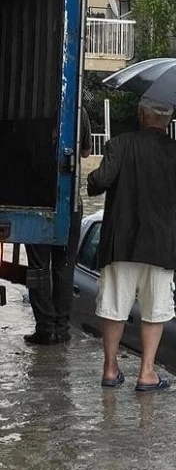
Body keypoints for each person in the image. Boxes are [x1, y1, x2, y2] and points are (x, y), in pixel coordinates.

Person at [87, 100, 176, 391]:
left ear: (140, 115)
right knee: (155, 309)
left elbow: (100, 181)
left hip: (120, 244)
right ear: (169, 121)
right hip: (159, 247)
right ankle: (146, 373)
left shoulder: (119, 145)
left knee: (113, 307)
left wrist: (90, 177)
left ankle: (111, 370)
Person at [24, 107, 92, 346]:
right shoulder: (78, 111)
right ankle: (61, 327)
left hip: (36, 200)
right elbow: (86, 151)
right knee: (64, 266)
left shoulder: (32, 111)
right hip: (70, 200)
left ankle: (45, 328)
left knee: (38, 268)